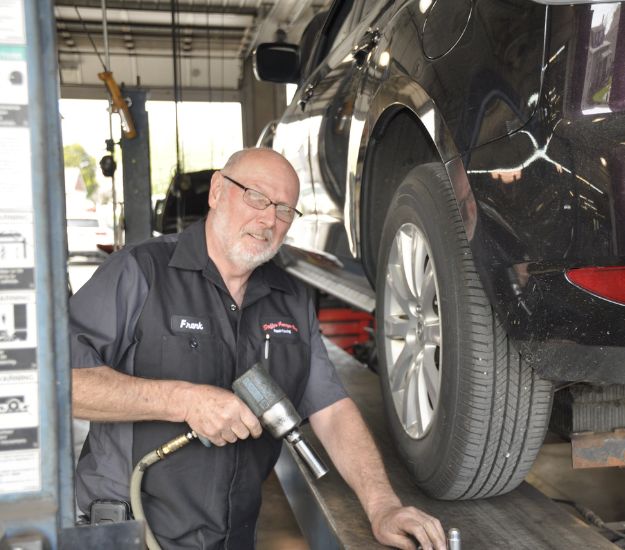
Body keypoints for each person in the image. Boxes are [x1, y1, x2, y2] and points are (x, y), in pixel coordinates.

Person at [70, 148, 446, 550]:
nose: (269, 219)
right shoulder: (139, 271)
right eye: (257, 197)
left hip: (233, 537)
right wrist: (183, 401)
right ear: (217, 191)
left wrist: (383, 507)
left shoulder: (290, 299)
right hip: (130, 532)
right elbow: (61, 386)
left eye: (285, 210)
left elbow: (332, 410)